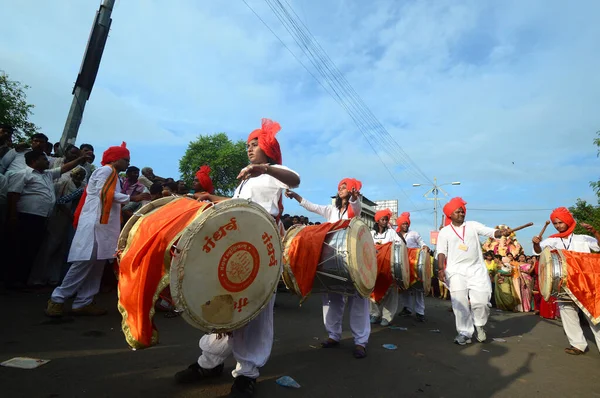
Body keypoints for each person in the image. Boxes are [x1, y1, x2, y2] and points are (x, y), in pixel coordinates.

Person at [174, 119, 300, 398]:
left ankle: (247, 374)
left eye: (255, 144)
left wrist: (264, 168)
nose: (249, 149)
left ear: (268, 148)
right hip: (238, 245)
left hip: (264, 248)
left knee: (255, 310)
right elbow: (238, 207)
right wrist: (212, 198)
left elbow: (296, 179)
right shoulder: (245, 179)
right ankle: (210, 362)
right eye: (248, 145)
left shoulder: (275, 174)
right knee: (226, 304)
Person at [45, 143, 148, 316]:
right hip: (95, 224)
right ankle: (57, 299)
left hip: (105, 227)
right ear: (115, 159)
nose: (128, 164)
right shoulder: (105, 171)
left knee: (97, 265)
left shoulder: (114, 174)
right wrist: (132, 197)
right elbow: (103, 193)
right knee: (84, 262)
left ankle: (83, 302)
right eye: (126, 160)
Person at [285, 177, 369, 359]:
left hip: (353, 259)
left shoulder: (355, 209)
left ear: (353, 189)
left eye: (345, 186)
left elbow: (356, 209)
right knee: (331, 298)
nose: (341, 189)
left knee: (358, 300)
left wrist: (354, 198)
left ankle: (360, 341)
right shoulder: (331, 210)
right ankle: (333, 335)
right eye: (340, 187)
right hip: (333, 259)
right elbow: (312, 206)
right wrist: (296, 196)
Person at [5, 150, 88, 289]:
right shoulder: (22, 174)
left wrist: (80, 159)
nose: (47, 161)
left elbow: (64, 168)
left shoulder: (47, 175)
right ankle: (10, 281)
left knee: (32, 249)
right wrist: (13, 216)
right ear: (33, 161)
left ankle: (23, 281)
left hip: (41, 218)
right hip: (25, 216)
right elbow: (13, 195)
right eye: (43, 159)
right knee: (18, 248)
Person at [436, 197, 511, 345]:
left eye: (462, 211)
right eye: (458, 212)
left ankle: (479, 325)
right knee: (460, 303)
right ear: (450, 215)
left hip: (476, 270)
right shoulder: (444, 232)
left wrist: (500, 232)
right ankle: (464, 332)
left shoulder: (472, 225)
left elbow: (490, 232)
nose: (461, 214)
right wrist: (440, 269)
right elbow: (441, 252)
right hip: (455, 271)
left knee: (481, 302)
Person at [532, 207, 600, 355]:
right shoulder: (552, 240)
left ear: (568, 221)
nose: (557, 226)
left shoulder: (582, 238)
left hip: (584, 283)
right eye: (555, 223)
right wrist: (536, 243)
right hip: (564, 283)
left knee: (593, 315)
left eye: (560, 222)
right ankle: (578, 345)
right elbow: (538, 251)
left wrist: (595, 232)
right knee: (568, 313)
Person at [369, 208, 402, 326]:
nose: (385, 221)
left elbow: (399, 246)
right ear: (377, 221)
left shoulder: (392, 233)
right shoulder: (371, 233)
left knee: (390, 292)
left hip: (389, 266)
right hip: (374, 266)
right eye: (382, 219)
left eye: (386, 219)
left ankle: (387, 317)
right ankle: (374, 314)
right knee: (372, 290)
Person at [396, 212, 429, 322]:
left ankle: (420, 312)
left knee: (418, 288)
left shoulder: (414, 233)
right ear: (399, 225)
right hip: (403, 264)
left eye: (407, 223)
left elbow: (422, 243)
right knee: (404, 287)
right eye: (403, 223)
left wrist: (424, 246)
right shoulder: (395, 235)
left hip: (414, 264)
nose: (405, 225)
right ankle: (407, 309)